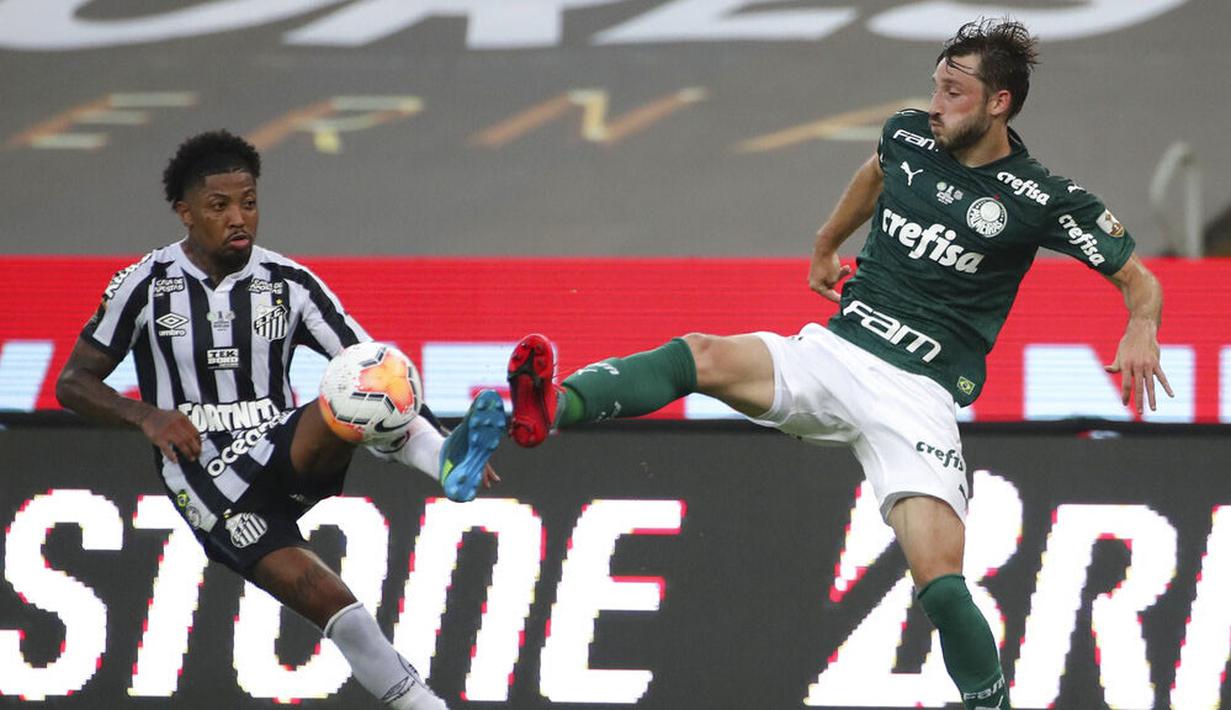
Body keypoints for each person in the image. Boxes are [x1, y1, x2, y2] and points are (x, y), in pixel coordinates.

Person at [505, 19, 1172, 710]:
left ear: (998, 103)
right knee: (699, 354)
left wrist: (1140, 326)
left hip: (917, 394)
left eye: (953, 91)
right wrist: (827, 242)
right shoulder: (910, 133)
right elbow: (878, 170)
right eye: (935, 86)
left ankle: (990, 703)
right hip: (834, 354)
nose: (935, 102)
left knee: (941, 584)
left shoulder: (1040, 198)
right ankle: (551, 406)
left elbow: (1138, 280)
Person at [54, 130, 504, 710]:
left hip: (276, 444)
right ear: (186, 212)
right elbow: (73, 382)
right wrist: (147, 416)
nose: (239, 218)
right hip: (206, 476)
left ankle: (445, 464)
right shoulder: (143, 286)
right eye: (219, 207)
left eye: (249, 202)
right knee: (334, 604)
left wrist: (437, 434)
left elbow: (375, 367)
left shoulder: (289, 283)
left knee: (368, 377)